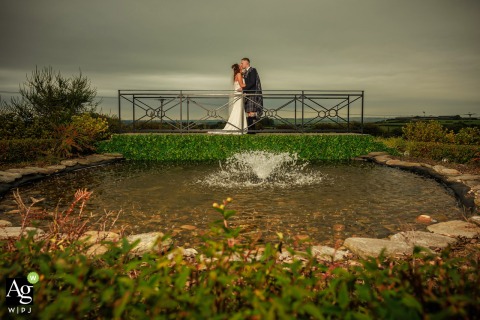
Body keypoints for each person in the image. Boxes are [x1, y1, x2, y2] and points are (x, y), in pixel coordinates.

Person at [209, 63, 247, 134]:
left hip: (238, 94)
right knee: (238, 109)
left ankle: (238, 126)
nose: (241, 66)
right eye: (240, 66)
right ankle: (239, 127)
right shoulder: (238, 74)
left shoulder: (237, 75)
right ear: (238, 68)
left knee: (238, 109)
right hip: (239, 94)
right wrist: (249, 83)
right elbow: (242, 85)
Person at [240, 57, 263, 134]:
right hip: (249, 93)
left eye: (242, 63)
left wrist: (243, 89)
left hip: (252, 93)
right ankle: (250, 131)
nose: (241, 64)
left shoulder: (252, 70)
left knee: (251, 113)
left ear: (247, 63)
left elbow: (252, 82)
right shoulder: (246, 72)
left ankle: (252, 131)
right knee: (249, 113)